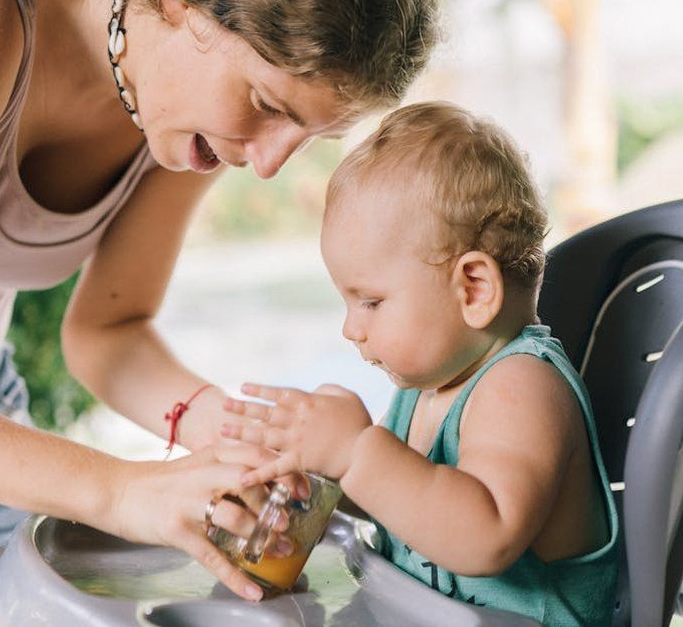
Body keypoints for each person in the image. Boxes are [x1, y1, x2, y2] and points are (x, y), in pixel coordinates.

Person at [0, 0, 439, 623]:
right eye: (269, 104)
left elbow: (109, 333)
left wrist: (235, 439)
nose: (270, 161)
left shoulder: (192, 111)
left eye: (308, 135)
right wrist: (120, 490)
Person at [222, 101, 620, 624]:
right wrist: (324, 473)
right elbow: (409, 509)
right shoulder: (425, 389)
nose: (351, 329)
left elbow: (485, 537)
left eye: (371, 302)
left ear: (473, 289)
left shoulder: (523, 385)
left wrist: (356, 453)